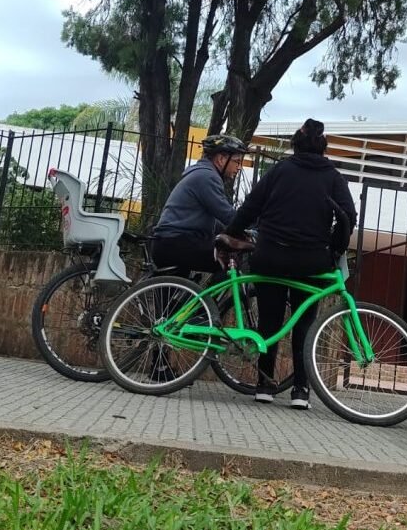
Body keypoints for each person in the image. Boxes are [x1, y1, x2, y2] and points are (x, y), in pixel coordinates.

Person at [223, 118, 357, 409]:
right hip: (310, 261)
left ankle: (264, 385)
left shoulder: (280, 170)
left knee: (269, 320)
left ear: (296, 143)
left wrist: (231, 232)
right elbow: (348, 216)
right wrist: (334, 248)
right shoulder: (333, 177)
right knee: (304, 324)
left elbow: (250, 206)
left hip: (270, 255)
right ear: (323, 147)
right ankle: (300, 390)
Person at [151, 134, 248, 277]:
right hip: (175, 243)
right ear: (221, 159)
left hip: (169, 242)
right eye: (237, 161)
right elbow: (227, 215)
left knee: (171, 298)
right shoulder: (207, 177)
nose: (239, 167)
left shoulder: (202, 174)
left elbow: (217, 222)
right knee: (228, 260)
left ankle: (198, 298)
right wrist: (254, 226)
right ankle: (209, 300)